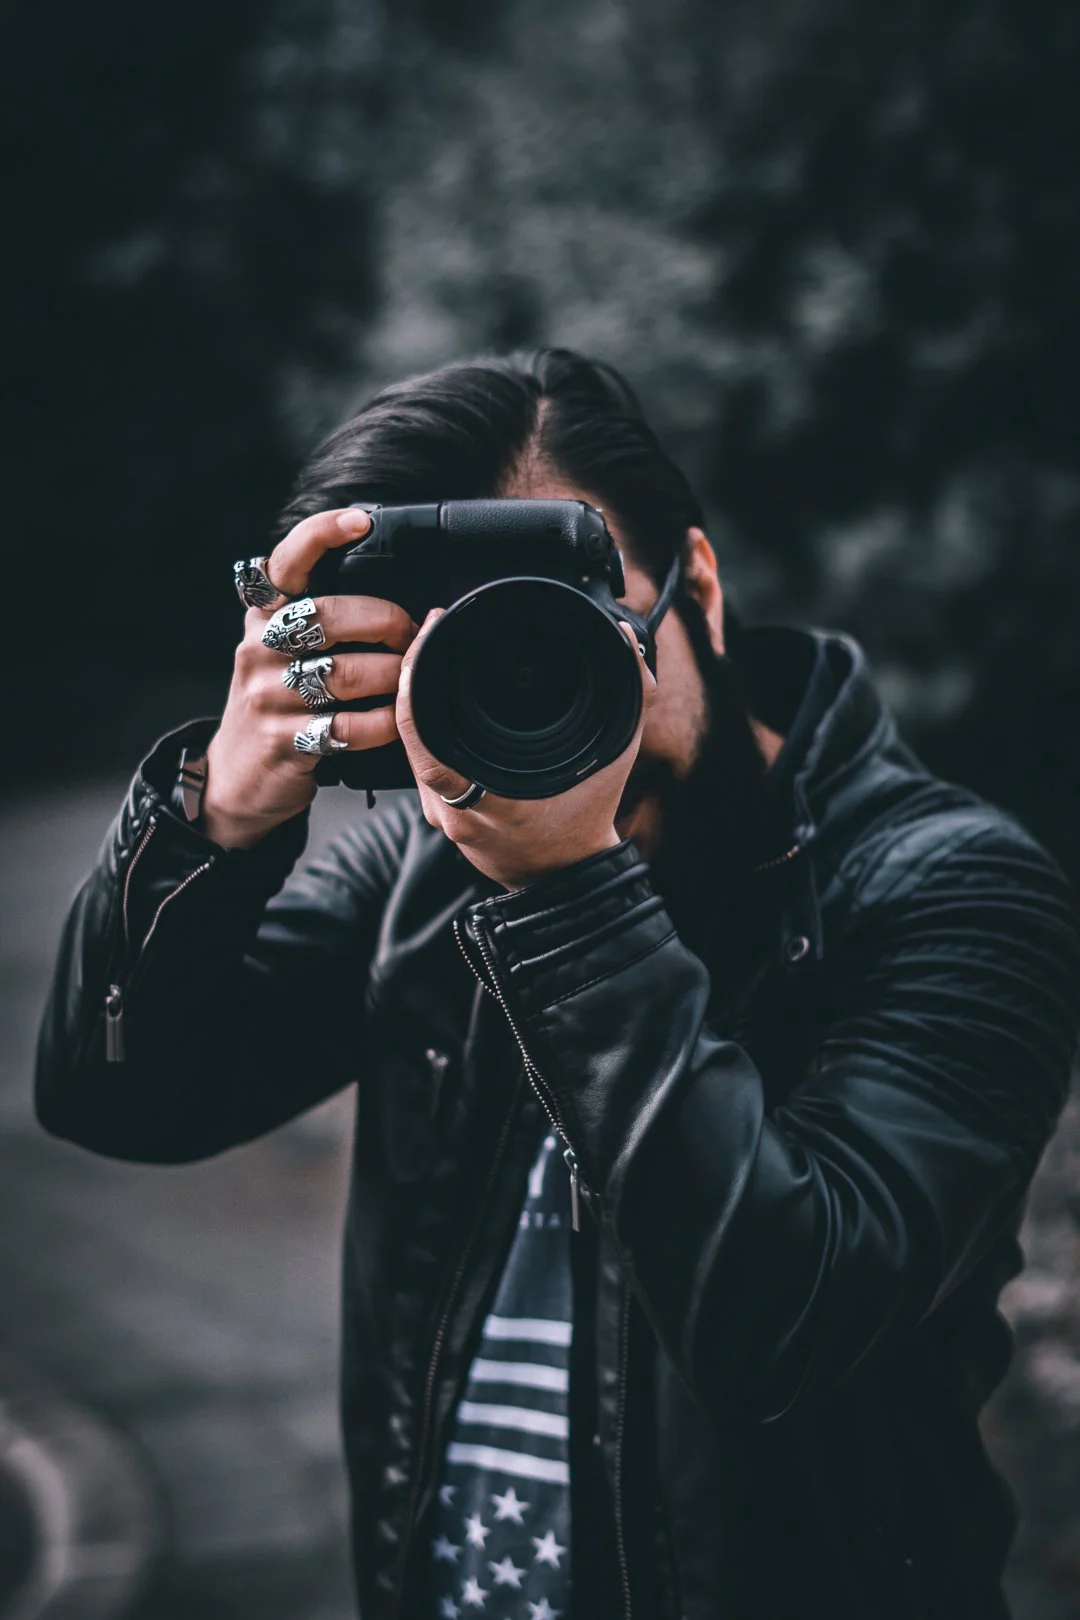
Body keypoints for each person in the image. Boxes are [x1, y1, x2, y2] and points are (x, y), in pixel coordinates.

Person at [36, 348, 1080, 1620]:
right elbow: (124, 1099)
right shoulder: (421, 873)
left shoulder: (946, 888)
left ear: (697, 583)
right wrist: (219, 816)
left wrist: (566, 891)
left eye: (567, 622)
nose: (528, 686)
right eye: (459, 652)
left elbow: (788, 1325)